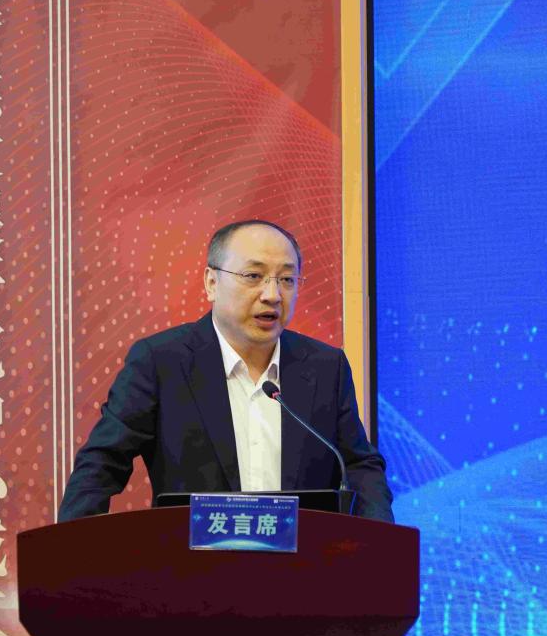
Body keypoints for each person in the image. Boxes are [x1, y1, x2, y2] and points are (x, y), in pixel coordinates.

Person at [58, 220, 393, 523]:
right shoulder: (161, 362)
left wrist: (381, 548)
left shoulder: (325, 366)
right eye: (253, 276)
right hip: (192, 563)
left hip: (300, 564)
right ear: (211, 282)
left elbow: (359, 466)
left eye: (287, 279)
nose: (273, 295)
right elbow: (102, 462)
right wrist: (71, 553)